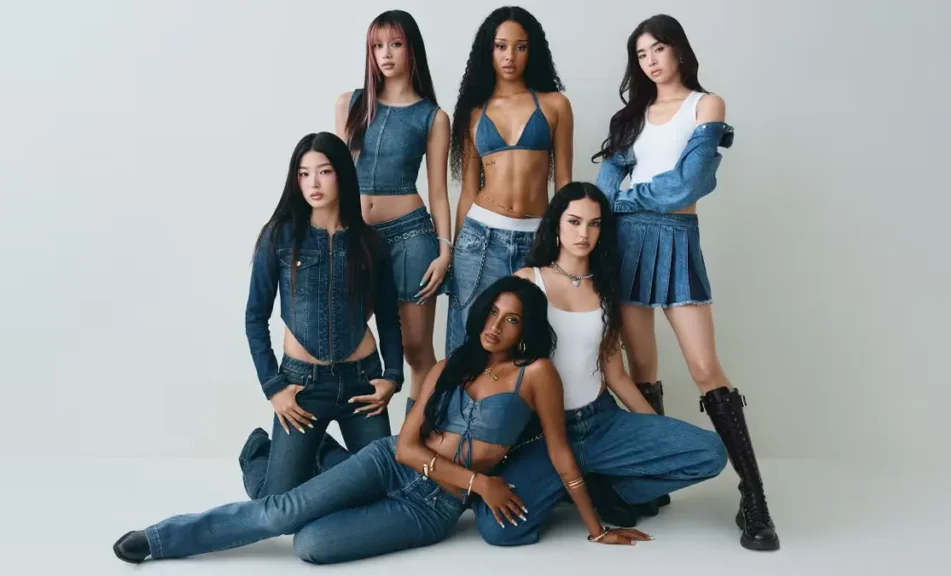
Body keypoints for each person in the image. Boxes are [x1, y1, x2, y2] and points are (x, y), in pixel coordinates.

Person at [112, 276, 647, 565]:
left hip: (433, 507)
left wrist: (596, 530)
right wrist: (481, 481)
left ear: (526, 329)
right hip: (390, 463)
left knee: (311, 546)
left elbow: (559, 452)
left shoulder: (537, 374)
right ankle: (162, 539)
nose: (496, 326)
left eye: (512, 320)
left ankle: (273, 460)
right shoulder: (446, 366)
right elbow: (409, 448)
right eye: (491, 313)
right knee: (280, 513)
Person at [593, 14, 779, 551]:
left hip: (675, 239)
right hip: (624, 245)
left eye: (659, 48)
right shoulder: (629, 118)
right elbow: (604, 188)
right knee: (642, 370)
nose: (651, 60)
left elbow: (692, 182)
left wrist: (628, 198)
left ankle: (755, 498)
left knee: (703, 366)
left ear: (678, 51)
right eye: (642, 53)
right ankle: (658, 479)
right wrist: (618, 202)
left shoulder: (707, 105)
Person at [473, 182, 728, 547]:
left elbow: (617, 376)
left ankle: (603, 486)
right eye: (575, 222)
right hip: (544, 433)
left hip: (600, 422)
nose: (584, 233)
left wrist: (657, 430)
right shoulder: (528, 281)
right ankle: (568, 482)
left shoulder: (606, 290)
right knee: (499, 531)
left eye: (594, 224)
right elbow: (497, 362)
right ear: (556, 225)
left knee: (710, 453)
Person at [236, 132, 403, 500]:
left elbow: (390, 317)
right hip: (302, 386)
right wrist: (273, 388)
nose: (313, 183)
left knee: (384, 494)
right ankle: (259, 451)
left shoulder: (369, 242)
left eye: (324, 171)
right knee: (274, 503)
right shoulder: (278, 237)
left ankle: (321, 452)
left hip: (362, 383)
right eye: (303, 173)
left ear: (341, 174)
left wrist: (392, 376)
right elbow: (254, 318)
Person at [335, 10, 452, 411]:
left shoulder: (432, 117)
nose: (385, 54)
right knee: (344, 332)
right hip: (358, 237)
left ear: (411, 49)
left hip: (412, 239)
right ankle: (363, 436)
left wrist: (445, 249)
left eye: (395, 44)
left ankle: (416, 444)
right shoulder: (349, 104)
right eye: (377, 45)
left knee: (417, 351)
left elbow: (438, 190)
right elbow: (336, 178)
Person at [445, 5, 574, 357]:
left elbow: (564, 183)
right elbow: (468, 190)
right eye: (501, 46)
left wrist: (563, 249)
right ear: (489, 50)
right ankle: (454, 413)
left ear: (532, 51)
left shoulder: (556, 105)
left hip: (537, 240)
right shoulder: (474, 110)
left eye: (520, 46)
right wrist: (456, 253)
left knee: (531, 347)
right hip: (479, 238)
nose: (510, 56)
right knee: (468, 339)